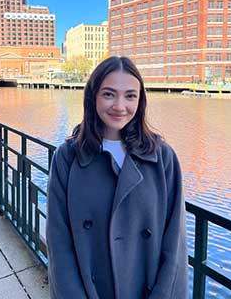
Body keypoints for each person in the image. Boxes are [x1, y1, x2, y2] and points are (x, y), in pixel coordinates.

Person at [46, 56, 188, 299]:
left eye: (130, 95)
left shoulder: (163, 157)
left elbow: (174, 242)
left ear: (140, 100)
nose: (120, 106)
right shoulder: (67, 158)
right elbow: (59, 242)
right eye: (109, 94)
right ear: (93, 97)